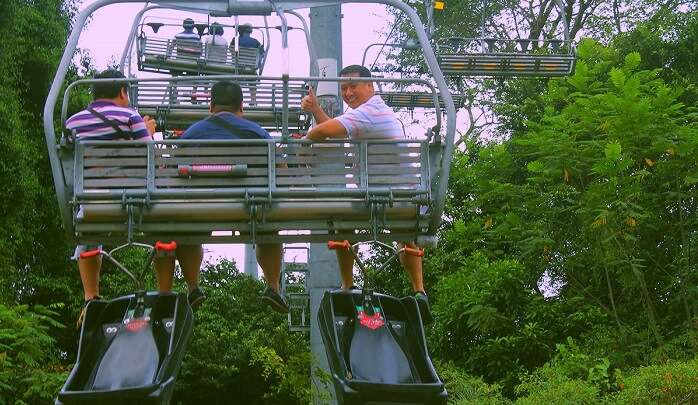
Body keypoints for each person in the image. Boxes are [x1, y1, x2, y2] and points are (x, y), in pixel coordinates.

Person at [66, 69, 206, 326]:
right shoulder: (130, 116)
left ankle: (90, 296)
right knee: (164, 225)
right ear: (122, 91)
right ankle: (165, 293)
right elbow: (151, 160)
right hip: (135, 202)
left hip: (90, 202)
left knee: (89, 232)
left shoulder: (73, 122)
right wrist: (148, 130)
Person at [300, 64, 431, 317]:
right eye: (344, 88)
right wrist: (316, 109)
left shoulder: (368, 112)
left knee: (340, 221)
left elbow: (326, 131)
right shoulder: (370, 112)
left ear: (371, 86)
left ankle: (348, 285)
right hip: (404, 198)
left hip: (382, 197)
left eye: (353, 86)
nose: (348, 93)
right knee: (404, 233)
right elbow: (338, 131)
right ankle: (419, 291)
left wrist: (303, 142)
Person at [181, 80, 289, 314]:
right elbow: (280, 169)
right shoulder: (258, 132)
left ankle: (192, 287)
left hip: (202, 208)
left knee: (186, 233)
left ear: (211, 106)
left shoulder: (191, 134)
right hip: (250, 208)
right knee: (269, 231)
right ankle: (272, 285)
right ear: (242, 107)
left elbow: (172, 170)